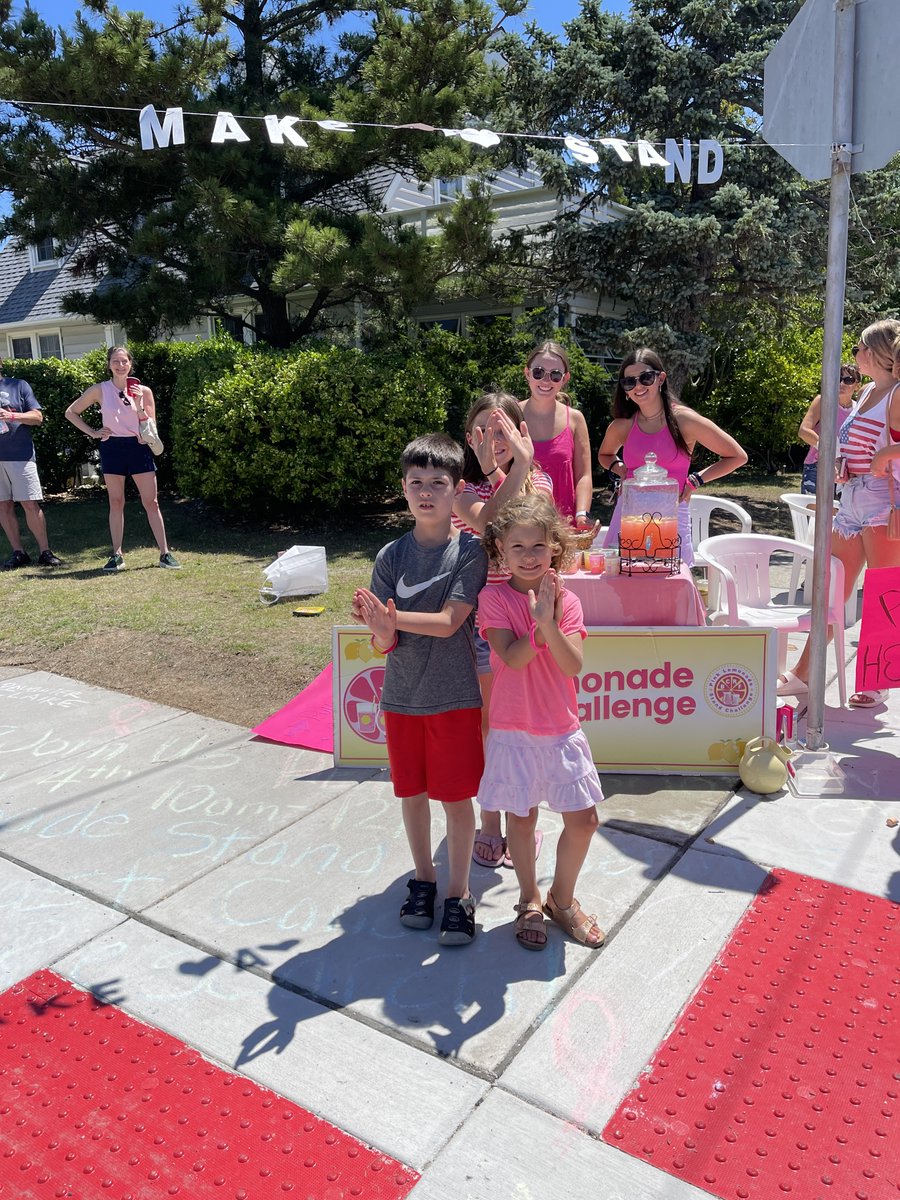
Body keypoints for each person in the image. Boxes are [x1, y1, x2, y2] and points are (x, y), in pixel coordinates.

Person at [352, 433, 487, 946]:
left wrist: (388, 616)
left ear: (456, 491)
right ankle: (424, 880)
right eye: (416, 483)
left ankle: (458, 892)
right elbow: (384, 639)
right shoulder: (390, 554)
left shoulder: (470, 551)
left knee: (456, 800)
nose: (426, 492)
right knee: (412, 795)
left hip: (454, 698)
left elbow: (452, 621)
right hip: (402, 697)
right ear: (403, 490)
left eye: (438, 483)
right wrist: (381, 626)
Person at [477, 492, 605, 951]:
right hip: (513, 730)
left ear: (555, 547)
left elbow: (572, 666)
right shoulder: (492, 599)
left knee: (584, 820)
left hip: (560, 729)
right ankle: (529, 899)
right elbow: (511, 657)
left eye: (538, 546)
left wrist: (549, 620)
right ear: (500, 550)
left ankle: (561, 900)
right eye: (518, 547)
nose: (529, 556)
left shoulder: (567, 602)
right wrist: (537, 624)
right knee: (522, 820)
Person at [452, 391, 553, 870]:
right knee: (491, 727)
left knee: (527, 727)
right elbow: (492, 526)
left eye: (502, 432)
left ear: (521, 434)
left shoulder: (541, 481)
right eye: (483, 433)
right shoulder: (463, 490)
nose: (493, 442)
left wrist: (517, 469)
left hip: (535, 619)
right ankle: (490, 821)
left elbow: (529, 522)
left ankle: (522, 821)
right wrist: (504, 471)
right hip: (488, 622)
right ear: (469, 439)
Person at [778, 319, 900, 708]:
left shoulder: (897, 394)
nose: (855, 355)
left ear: (880, 354)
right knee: (829, 590)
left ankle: (875, 681)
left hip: (884, 503)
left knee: (882, 593)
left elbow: (888, 451)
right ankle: (803, 673)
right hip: (852, 498)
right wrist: (846, 464)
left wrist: (887, 454)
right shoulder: (865, 393)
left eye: (861, 348)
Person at [596, 348, 747, 566]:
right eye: (630, 382)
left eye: (646, 377)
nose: (638, 386)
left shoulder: (684, 420)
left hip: (671, 517)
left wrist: (695, 480)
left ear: (661, 378)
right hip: (628, 515)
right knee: (625, 584)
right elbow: (604, 454)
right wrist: (619, 468)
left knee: (673, 583)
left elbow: (736, 456)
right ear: (625, 390)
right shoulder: (623, 425)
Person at [64, 346, 180, 571]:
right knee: (116, 502)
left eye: (124, 361)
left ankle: (165, 554)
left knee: (151, 502)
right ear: (109, 364)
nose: (120, 365)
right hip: (112, 448)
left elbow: (151, 424)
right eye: (115, 361)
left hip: (138, 447)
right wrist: (94, 432)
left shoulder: (143, 391)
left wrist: (138, 405)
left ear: (130, 364)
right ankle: (117, 555)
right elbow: (71, 412)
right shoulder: (100, 390)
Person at [521, 341, 594, 528]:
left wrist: (582, 515)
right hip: (519, 527)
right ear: (527, 373)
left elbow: (584, 476)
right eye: (538, 372)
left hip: (565, 528)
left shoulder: (576, 419)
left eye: (555, 375)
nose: (546, 381)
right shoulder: (511, 415)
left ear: (565, 379)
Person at [0, 362, 63, 570]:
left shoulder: (18, 385)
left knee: (29, 504)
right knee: (3, 505)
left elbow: (38, 417)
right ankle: (19, 553)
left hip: (21, 456)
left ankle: (45, 552)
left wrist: (11, 416)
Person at [798, 363, 861, 495]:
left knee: (839, 515)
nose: (842, 384)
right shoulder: (822, 401)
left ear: (857, 386)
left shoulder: (859, 410)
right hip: (818, 467)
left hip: (846, 472)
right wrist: (832, 452)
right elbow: (804, 431)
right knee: (814, 514)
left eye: (848, 380)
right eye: (838, 378)